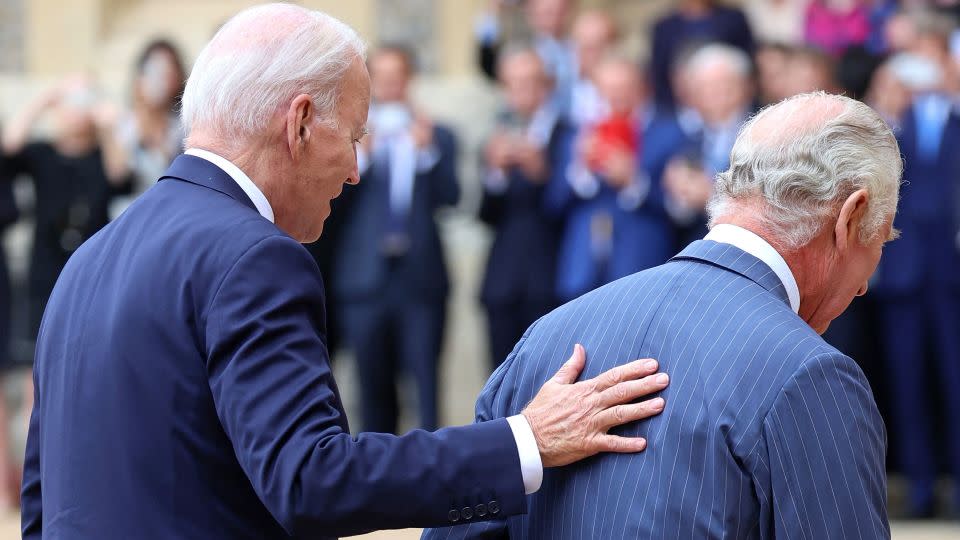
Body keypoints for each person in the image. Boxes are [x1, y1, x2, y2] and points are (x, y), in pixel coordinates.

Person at [21, 5, 672, 538]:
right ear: (300, 122)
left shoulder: (89, 260)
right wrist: (524, 441)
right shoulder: (252, 255)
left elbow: (43, 506)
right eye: (354, 136)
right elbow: (310, 480)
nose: (356, 168)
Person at [424, 92, 897, 539]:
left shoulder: (547, 337)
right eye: (882, 239)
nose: (862, 285)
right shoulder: (811, 374)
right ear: (850, 218)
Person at [332, 45, 456, 433]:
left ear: (409, 79)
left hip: (419, 281)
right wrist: (359, 159)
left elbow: (453, 197)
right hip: (363, 282)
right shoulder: (345, 139)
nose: (388, 82)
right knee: (370, 393)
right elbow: (331, 206)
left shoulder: (437, 135)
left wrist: (426, 154)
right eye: (380, 75)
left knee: (426, 390)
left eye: (396, 74)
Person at [871, 14, 960, 518]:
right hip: (903, 273)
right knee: (906, 384)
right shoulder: (891, 123)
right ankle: (920, 488)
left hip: (951, 273)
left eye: (934, 56)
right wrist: (888, 109)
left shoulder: (955, 115)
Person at [1, 75, 130, 340]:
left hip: (95, 265)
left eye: (84, 99)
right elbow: (10, 148)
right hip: (45, 266)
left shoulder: (102, 153)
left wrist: (107, 129)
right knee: (36, 348)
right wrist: (43, 101)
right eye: (70, 100)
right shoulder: (43, 153)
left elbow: (120, 177)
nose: (77, 108)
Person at [547, 56, 684, 302]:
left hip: (640, 266)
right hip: (582, 267)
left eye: (624, 88)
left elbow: (679, 208)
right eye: (606, 89)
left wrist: (633, 180)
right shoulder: (577, 135)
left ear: (642, 88)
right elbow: (553, 203)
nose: (615, 97)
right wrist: (583, 171)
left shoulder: (669, 133)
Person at [479, 47, 571, 370]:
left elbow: (569, 208)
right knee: (500, 383)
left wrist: (543, 174)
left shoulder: (568, 133)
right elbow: (484, 215)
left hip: (552, 277)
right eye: (511, 84)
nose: (518, 92)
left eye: (527, 82)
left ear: (547, 85)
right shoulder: (497, 133)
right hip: (503, 279)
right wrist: (496, 174)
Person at [663, 43, 755, 248]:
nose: (716, 94)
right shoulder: (685, 138)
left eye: (724, 85)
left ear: (746, 86)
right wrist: (680, 193)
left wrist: (711, 197)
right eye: (706, 87)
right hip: (695, 250)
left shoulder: (761, 133)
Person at [107, 39, 187, 219]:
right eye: (153, 70)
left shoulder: (183, 126)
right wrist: (142, 110)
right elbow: (118, 175)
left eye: (166, 70)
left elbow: (170, 169)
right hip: (128, 216)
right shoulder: (122, 123)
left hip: (169, 215)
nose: (159, 79)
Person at [650, 0, 755, 108]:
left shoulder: (733, 19)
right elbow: (659, 73)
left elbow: (748, 63)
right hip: (679, 106)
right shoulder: (665, 27)